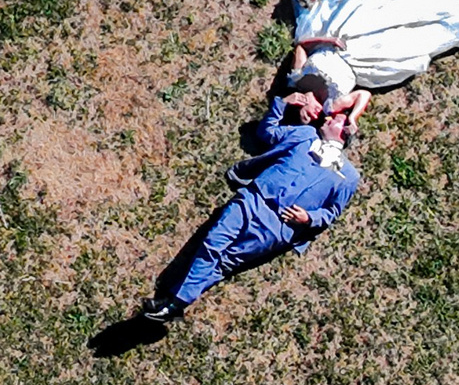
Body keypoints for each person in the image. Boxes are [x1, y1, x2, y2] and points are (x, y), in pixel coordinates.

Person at [140, 51, 364, 322]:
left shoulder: (348, 177)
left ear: (346, 132)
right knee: (213, 243)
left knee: (227, 260)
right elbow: (266, 134)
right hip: (254, 200)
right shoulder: (305, 135)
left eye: (337, 120)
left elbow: (331, 213)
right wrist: (282, 103)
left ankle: (173, 303)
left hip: (279, 226)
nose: (329, 118)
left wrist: (309, 218)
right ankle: (175, 304)